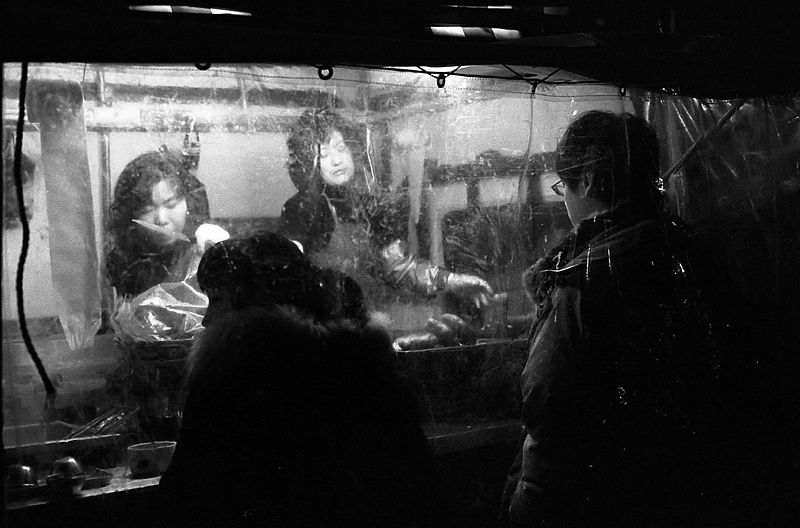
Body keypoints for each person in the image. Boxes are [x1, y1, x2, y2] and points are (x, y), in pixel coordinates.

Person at [498, 110, 720, 527]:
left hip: (594, 501)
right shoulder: (693, 254)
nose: (565, 199)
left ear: (586, 181)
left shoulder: (584, 282)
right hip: (692, 490)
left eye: (563, 186)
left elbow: (547, 409)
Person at [156, 231, 448, 528]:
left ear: (251, 298)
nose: (206, 319)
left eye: (216, 299)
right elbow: (419, 485)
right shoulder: (363, 362)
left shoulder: (227, 378)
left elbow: (185, 495)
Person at [279, 106, 500, 313]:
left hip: (367, 321)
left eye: (341, 148)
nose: (337, 160)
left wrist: (451, 281)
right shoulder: (300, 209)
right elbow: (289, 278)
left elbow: (397, 266)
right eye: (324, 154)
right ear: (308, 163)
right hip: (324, 327)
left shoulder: (365, 206)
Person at [106, 147, 228, 298]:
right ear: (130, 215)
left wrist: (224, 255)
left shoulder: (205, 244)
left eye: (171, 205)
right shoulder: (121, 263)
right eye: (146, 210)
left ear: (188, 203)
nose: (161, 220)